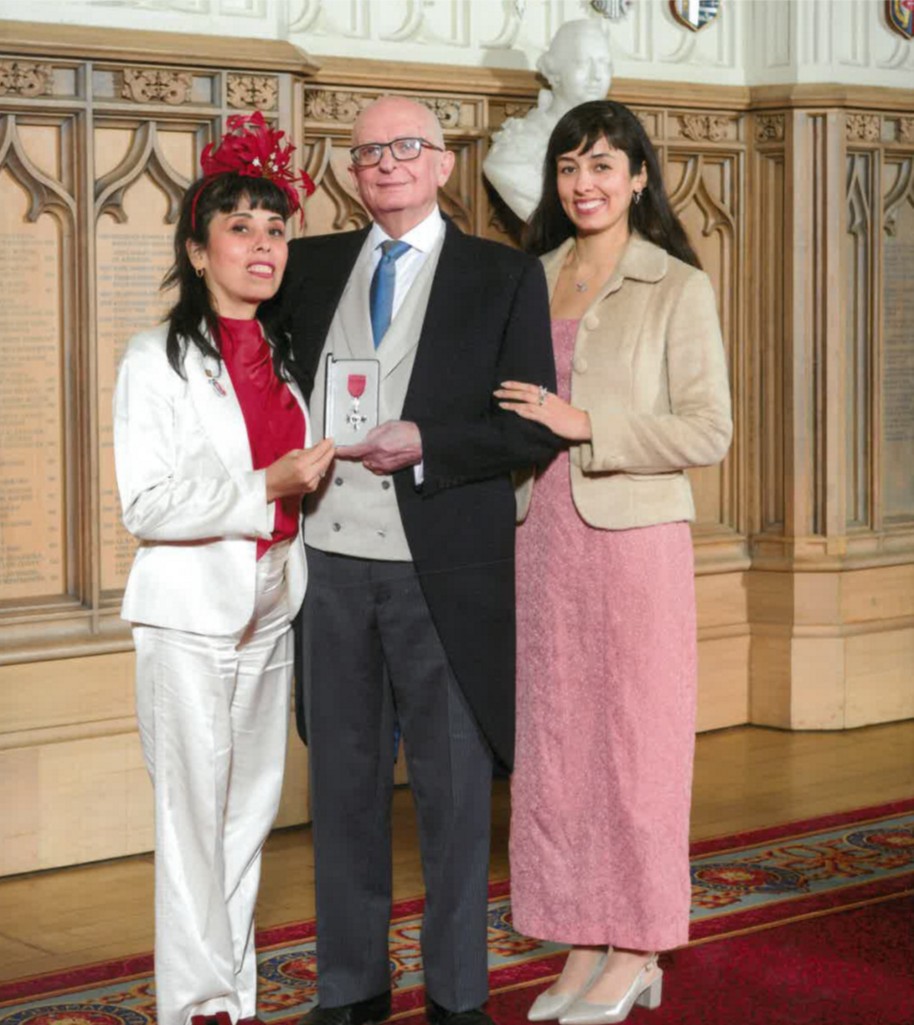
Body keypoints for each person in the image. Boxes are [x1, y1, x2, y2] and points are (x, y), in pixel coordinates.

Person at [278, 95, 561, 1025]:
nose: (387, 164)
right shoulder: (308, 267)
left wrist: (429, 440)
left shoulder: (503, 276)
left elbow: (528, 428)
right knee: (344, 786)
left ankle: (456, 996)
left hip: (442, 568)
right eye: (367, 154)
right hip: (329, 564)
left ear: (444, 163)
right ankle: (350, 988)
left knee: (449, 789)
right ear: (351, 175)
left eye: (407, 148)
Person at [495, 99, 732, 1024]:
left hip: (634, 542)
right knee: (556, 747)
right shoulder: (532, 276)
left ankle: (637, 946)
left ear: (639, 177)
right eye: (568, 168)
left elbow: (708, 429)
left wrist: (587, 424)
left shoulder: (676, 285)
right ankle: (580, 937)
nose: (584, 184)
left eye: (603, 166)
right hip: (541, 531)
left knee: (636, 746)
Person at [113, 113, 335, 1025]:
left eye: (275, 228)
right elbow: (148, 505)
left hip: (272, 606)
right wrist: (265, 485)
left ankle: (231, 1000)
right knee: (192, 825)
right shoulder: (154, 360)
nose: (262, 244)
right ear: (199, 250)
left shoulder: (290, 357)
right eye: (239, 227)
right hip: (189, 619)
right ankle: (194, 1004)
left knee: (249, 818)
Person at [483, 19, 613, 221]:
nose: (596, 76)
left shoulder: (620, 138)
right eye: (583, 63)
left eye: (604, 64)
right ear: (555, 72)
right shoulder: (515, 149)